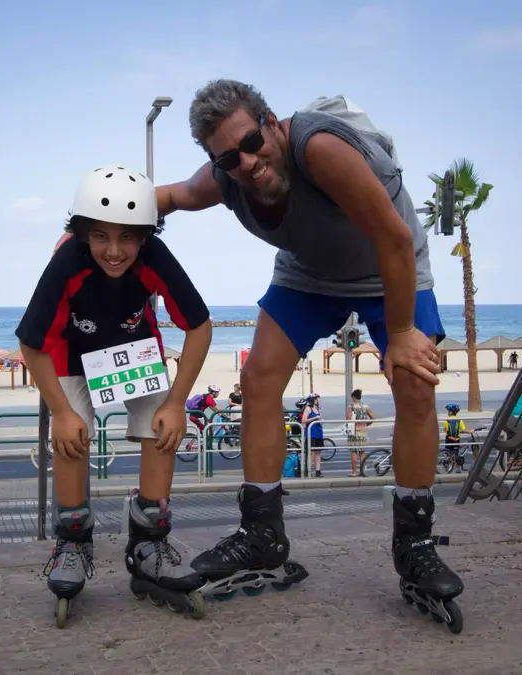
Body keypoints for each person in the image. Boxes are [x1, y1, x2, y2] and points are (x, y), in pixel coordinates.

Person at [156, 79, 463, 618]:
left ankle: (414, 544)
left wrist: (403, 334)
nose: (247, 161)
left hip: (389, 267)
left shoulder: (320, 149)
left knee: (414, 386)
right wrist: (89, 227)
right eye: (228, 157)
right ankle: (262, 534)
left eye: (252, 141)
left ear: (272, 122)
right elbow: (172, 196)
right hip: (308, 273)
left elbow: (393, 239)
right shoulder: (227, 179)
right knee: (258, 381)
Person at [15, 164, 213, 624]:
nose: (115, 250)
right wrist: (61, 411)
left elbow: (200, 326)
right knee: (72, 437)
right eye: (101, 236)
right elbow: (31, 341)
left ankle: (149, 541)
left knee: (160, 428)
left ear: (147, 235)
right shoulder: (67, 261)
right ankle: (72, 543)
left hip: (132, 347)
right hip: (70, 353)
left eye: (128, 238)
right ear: (82, 232)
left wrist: (176, 402)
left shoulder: (154, 255)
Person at [346, 389, 375, 476]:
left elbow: (347, 418)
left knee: (354, 451)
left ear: (354, 397)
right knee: (362, 452)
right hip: (363, 430)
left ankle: (354, 472)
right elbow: (373, 418)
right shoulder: (366, 406)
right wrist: (366, 424)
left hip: (354, 431)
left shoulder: (351, 406)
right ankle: (363, 471)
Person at [442, 403, 474, 472]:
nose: (447, 413)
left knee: (448, 451)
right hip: (456, 439)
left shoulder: (446, 420)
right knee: (456, 453)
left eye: (448, 411)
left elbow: (445, 430)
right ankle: (458, 469)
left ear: (451, 412)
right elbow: (463, 430)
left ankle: (447, 466)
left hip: (448, 439)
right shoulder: (459, 420)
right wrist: (470, 431)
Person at [300, 393, 324, 477]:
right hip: (311, 433)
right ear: (313, 400)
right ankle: (308, 470)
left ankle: (318, 470)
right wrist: (314, 418)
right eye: (317, 398)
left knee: (318, 452)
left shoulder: (317, 409)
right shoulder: (308, 408)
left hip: (318, 433)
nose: (319, 400)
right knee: (311, 452)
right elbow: (303, 420)